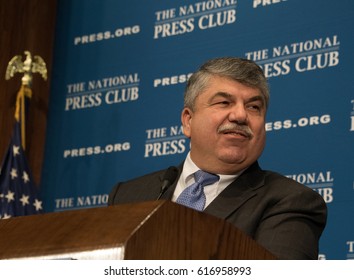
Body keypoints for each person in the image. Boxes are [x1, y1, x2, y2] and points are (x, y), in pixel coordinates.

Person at [108, 57, 327, 260]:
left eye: (254, 107)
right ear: (188, 121)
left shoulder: (291, 202)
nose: (240, 115)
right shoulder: (128, 196)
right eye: (224, 102)